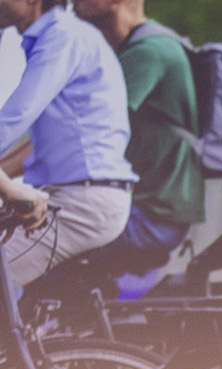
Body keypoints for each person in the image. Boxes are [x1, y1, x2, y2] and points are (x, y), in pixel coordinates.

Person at [0, 0, 133, 287]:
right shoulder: (53, 36)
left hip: (81, 201)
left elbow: (16, 116)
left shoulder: (63, 35)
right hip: (69, 192)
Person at [69, 0, 201, 277]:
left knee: (38, 250)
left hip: (150, 218)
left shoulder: (148, 52)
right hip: (152, 214)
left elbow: (82, 133)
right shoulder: (140, 45)